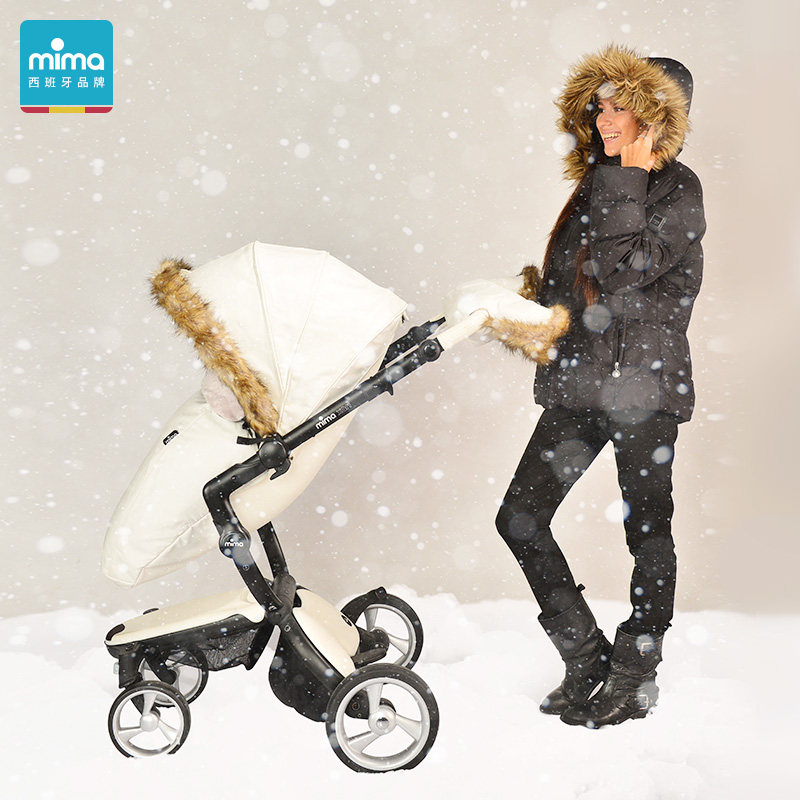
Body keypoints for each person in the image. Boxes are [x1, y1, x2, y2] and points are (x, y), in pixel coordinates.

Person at [492, 45, 706, 728]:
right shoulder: (600, 181)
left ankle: (636, 671)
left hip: (644, 389)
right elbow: (583, 286)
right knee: (520, 517)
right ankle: (585, 657)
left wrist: (630, 177)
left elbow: (622, 273)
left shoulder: (680, 190)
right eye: (600, 107)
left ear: (656, 118)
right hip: (583, 386)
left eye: (620, 109)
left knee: (646, 531)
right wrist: (528, 307)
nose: (604, 119)